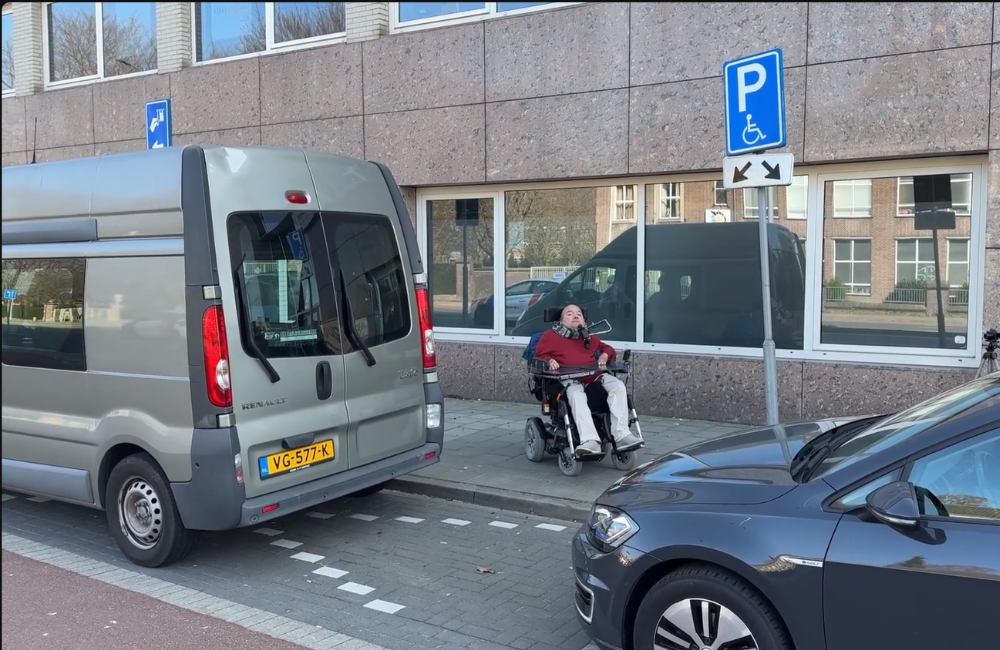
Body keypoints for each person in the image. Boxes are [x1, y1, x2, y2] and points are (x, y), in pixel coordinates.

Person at [533, 304, 644, 456]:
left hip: (592, 376)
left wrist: (605, 355)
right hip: (567, 378)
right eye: (570, 314)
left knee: (618, 385)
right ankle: (590, 440)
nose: (576, 316)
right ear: (561, 319)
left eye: (579, 313)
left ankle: (622, 435)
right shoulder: (549, 336)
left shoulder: (587, 335)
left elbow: (608, 349)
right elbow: (538, 356)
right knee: (576, 394)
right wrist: (548, 360)